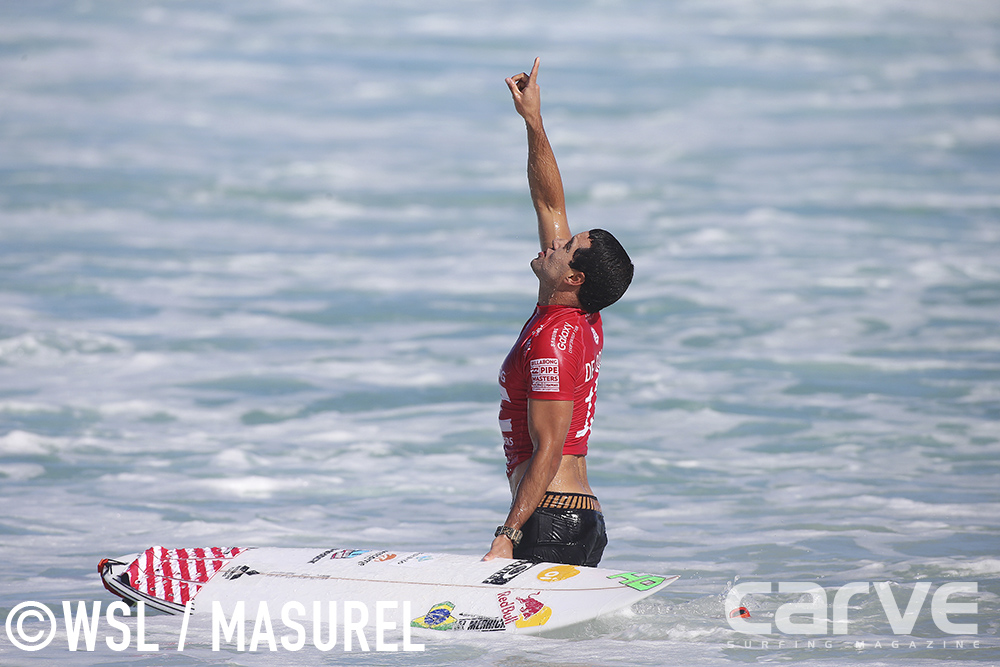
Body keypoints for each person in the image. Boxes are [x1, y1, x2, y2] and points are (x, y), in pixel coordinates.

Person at [483, 58, 634, 567]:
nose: (553, 243)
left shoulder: (554, 340)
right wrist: (533, 121)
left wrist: (508, 533)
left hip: (549, 519)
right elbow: (549, 202)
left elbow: (548, 449)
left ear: (574, 278)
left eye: (565, 247)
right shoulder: (576, 313)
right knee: (549, 653)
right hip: (572, 518)